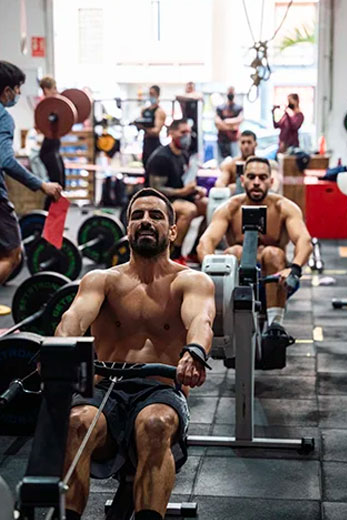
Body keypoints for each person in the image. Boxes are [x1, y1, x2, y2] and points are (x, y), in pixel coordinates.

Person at [55, 188, 216, 520]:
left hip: (159, 389)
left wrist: (195, 353)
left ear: (172, 230)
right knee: (76, 423)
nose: (145, 221)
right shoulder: (101, 280)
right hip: (102, 391)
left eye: (155, 216)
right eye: (137, 216)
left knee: (156, 424)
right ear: (127, 228)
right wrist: (60, 348)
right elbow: (73, 317)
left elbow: (201, 320)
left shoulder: (191, 281)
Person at [197, 156, 312, 341]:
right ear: (242, 180)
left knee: (272, 253)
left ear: (271, 181)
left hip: (276, 279)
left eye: (262, 177)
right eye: (251, 177)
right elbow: (206, 242)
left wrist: (295, 269)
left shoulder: (284, 207)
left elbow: (304, 241)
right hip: (238, 280)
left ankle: (275, 326)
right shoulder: (230, 207)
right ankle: (231, 318)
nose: (256, 182)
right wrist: (211, 274)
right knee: (234, 252)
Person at [0, 61, 62, 285]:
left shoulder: (55, 110)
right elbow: (5, 160)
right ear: (7, 91)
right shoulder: (4, 117)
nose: (18, 94)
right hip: (47, 161)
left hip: (55, 159)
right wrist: (42, 185)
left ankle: (52, 237)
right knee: (12, 255)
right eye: (17, 89)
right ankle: (50, 238)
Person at [145, 119, 208, 264]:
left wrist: (195, 190)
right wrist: (182, 192)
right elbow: (155, 189)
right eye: (183, 132)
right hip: (158, 200)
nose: (187, 136)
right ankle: (175, 254)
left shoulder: (183, 154)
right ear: (172, 133)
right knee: (189, 210)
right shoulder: (161, 157)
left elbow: (182, 181)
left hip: (177, 196)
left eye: (188, 132)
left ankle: (194, 251)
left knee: (209, 207)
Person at [38, 76, 66, 190]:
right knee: (56, 185)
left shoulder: (55, 107)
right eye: (54, 88)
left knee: (61, 183)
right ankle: (48, 208)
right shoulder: (45, 107)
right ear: (46, 90)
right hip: (48, 150)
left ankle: (53, 208)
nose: (56, 91)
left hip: (54, 149)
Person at [137, 85, 166, 169]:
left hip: (154, 143)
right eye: (149, 94)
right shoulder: (144, 110)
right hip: (145, 142)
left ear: (158, 95)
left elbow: (156, 130)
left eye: (152, 94)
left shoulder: (159, 111)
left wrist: (143, 128)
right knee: (145, 167)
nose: (150, 96)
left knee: (153, 168)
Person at [215, 86, 243, 163]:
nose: (230, 94)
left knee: (235, 163)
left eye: (232, 92)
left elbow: (239, 121)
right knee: (220, 164)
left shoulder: (238, 108)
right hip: (221, 140)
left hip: (233, 140)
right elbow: (217, 123)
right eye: (229, 92)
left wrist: (226, 121)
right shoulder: (220, 108)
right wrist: (232, 126)